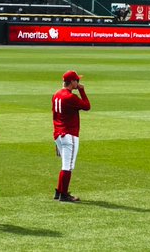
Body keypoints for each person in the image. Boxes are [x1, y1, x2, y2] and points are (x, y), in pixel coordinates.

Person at [52, 70, 91, 202]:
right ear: (72, 82)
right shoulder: (70, 97)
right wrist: (82, 91)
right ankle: (64, 194)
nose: (78, 83)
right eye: (77, 81)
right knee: (68, 166)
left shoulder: (56, 94)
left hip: (58, 133)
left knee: (65, 164)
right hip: (69, 134)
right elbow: (87, 106)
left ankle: (59, 191)